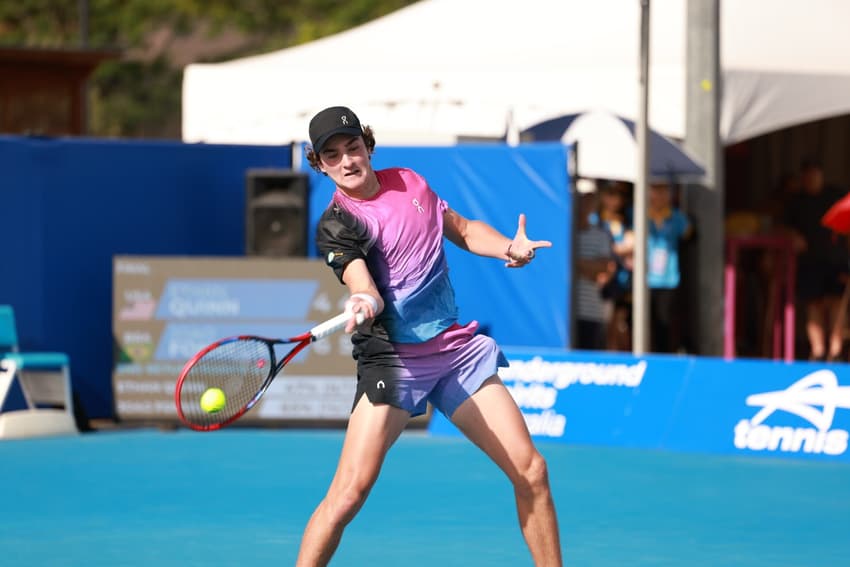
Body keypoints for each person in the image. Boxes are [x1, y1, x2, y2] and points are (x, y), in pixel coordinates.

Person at [298, 106, 563, 566]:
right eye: (332, 155)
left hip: (454, 353)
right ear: (319, 164)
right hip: (395, 362)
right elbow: (362, 282)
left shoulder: (409, 182)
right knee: (347, 495)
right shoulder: (338, 223)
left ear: (368, 146)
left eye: (353, 148)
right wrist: (363, 298)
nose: (347, 161)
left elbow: (460, 230)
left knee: (532, 470)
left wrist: (508, 246)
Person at [782, 158, 849, 361]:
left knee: (838, 304)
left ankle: (836, 349)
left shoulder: (834, 195)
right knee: (814, 305)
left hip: (835, 260)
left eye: (815, 174)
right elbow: (784, 227)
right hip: (810, 262)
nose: (811, 179)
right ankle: (818, 350)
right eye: (807, 176)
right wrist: (793, 236)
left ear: (821, 175)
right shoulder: (797, 202)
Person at [646, 182, 693, 353]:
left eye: (663, 192)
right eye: (655, 191)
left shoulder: (675, 216)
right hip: (645, 277)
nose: (659, 196)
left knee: (664, 321)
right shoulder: (642, 214)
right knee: (646, 321)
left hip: (668, 278)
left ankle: (663, 353)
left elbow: (689, 233)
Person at [575, 190, 617, 350]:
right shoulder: (564, 234)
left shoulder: (600, 235)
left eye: (588, 200)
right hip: (564, 313)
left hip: (590, 310)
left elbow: (604, 269)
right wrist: (589, 267)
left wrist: (575, 263)